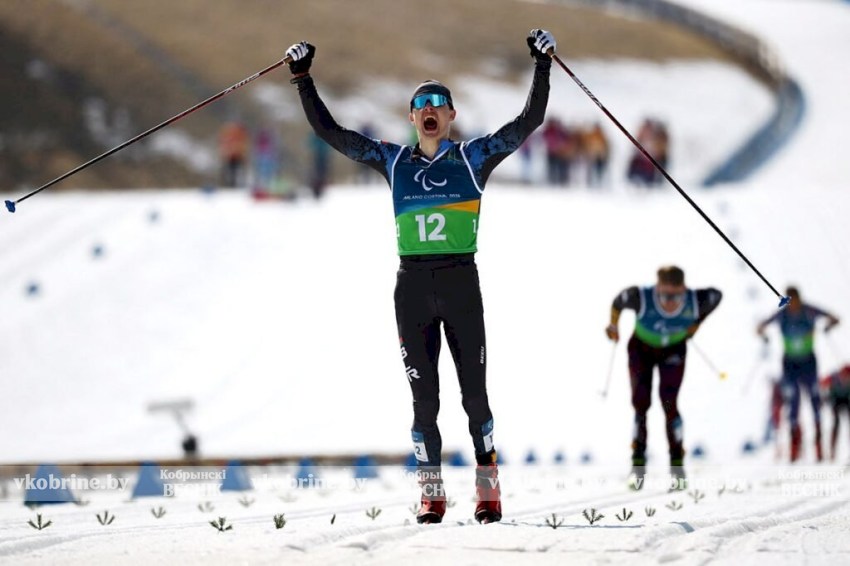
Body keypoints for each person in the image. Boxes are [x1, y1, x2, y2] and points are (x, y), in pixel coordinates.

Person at [284, 28, 556, 524]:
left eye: (439, 102)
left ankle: (487, 485)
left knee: (474, 397)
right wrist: (303, 78)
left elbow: (529, 121)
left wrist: (542, 65)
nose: (430, 108)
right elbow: (332, 134)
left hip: (459, 283)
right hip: (412, 288)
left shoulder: (474, 158)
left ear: (450, 116)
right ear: (413, 118)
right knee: (423, 401)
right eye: (421, 103)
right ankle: (431, 493)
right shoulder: (393, 160)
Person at [605, 266, 722, 489]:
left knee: (669, 405)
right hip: (641, 350)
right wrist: (613, 325)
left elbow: (718, 296)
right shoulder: (641, 296)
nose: (670, 301)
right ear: (657, 288)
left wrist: (698, 322)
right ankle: (637, 468)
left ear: (684, 290)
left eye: (676, 295)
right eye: (665, 295)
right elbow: (618, 302)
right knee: (641, 405)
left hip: (673, 350)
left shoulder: (695, 299)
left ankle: (677, 469)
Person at [757, 286, 840, 462]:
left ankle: (819, 447)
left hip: (808, 363)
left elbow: (834, 318)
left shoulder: (809, 311)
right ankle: (795, 447)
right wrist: (763, 335)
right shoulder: (783, 314)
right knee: (793, 403)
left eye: (795, 301)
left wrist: (828, 327)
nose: (792, 305)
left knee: (815, 402)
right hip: (790, 365)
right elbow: (761, 326)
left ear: (799, 299)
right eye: (790, 301)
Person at [820, 364, 850, 461]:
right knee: (836, 425)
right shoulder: (833, 376)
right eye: (844, 376)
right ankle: (832, 451)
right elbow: (821, 383)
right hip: (836, 401)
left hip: (847, 401)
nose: (845, 379)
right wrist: (824, 397)